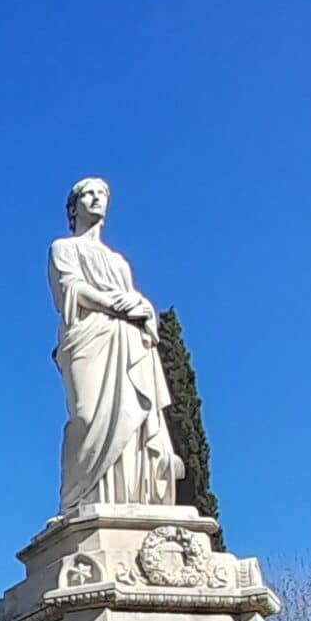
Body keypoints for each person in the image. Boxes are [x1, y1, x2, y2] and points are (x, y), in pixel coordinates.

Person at [50, 177, 182, 511]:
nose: (96, 199)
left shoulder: (119, 261)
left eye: (102, 194)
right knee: (86, 415)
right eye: (88, 194)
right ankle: (77, 500)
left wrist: (143, 309)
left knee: (132, 414)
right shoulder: (63, 249)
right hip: (88, 336)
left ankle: (127, 496)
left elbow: (136, 300)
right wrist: (119, 304)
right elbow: (71, 290)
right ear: (73, 207)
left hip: (126, 340)